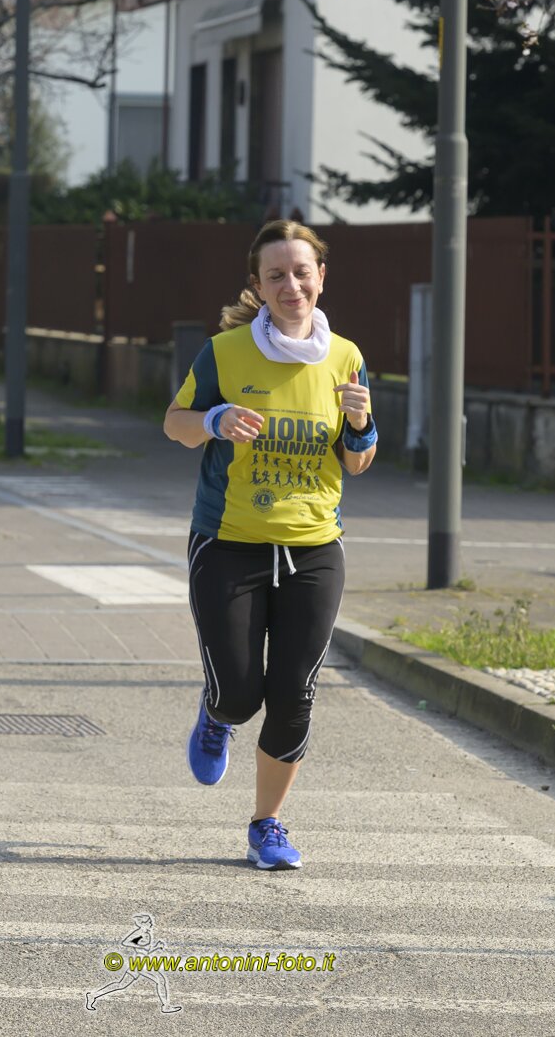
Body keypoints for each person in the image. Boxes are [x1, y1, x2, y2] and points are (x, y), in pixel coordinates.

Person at [163, 220, 376, 871]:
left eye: (302, 272)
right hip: (229, 543)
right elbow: (175, 425)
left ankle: (266, 825)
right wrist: (215, 419)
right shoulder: (225, 353)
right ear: (257, 284)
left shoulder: (346, 357)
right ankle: (217, 714)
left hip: (314, 549)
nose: (291, 285)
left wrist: (361, 424)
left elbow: (357, 461)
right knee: (239, 695)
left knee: (294, 695)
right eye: (276, 275)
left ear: (321, 278)